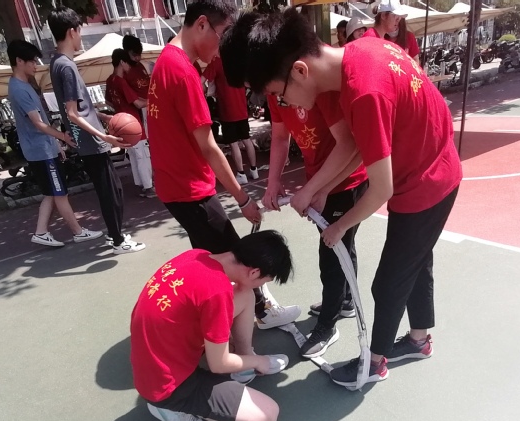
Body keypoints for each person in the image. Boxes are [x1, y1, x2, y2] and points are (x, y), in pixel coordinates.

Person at [220, 9, 462, 387]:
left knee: (389, 282)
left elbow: (380, 189)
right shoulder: (361, 53)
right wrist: (316, 190)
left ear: (300, 71)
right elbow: (355, 145)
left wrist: (338, 227)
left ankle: (373, 364)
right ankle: (419, 340)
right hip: (432, 167)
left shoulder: (364, 92)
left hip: (425, 183)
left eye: (279, 94)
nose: (283, 103)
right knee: (416, 263)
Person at [221, 16, 368, 359]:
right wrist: (273, 182)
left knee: (332, 252)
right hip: (320, 179)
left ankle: (328, 323)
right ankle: (343, 301)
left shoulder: (313, 83)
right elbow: (279, 137)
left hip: (345, 180)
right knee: (341, 246)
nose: (262, 92)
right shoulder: (276, 88)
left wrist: (315, 190)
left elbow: (349, 146)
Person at [147, 0, 300, 330]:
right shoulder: (182, 72)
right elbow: (209, 147)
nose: (222, 48)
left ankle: (219, 313)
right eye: (223, 34)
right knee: (237, 259)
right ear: (202, 24)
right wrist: (242, 199)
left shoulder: (166, 61)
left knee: (213, 259)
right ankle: (259, 312)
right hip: (189, 189)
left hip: (176, 185)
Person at [131, 230, 292, 421]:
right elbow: (219, 365)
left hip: (152, 359)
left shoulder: (197, 255)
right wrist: (259, 361)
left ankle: (243, 365)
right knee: (267, 416)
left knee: (245, 294)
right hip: (167, 386)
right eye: (262, 282)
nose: (260, 287)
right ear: (254, 272)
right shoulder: (217, 291)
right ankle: (168, 408)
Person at [47, 6, 145, 254]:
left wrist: (102, 116)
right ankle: (118, 241)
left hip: (87, 138)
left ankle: (116, 235)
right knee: (110, 192)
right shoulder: (66, 66)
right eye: (80, 31)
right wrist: (104, 136)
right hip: (90, 141)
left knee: (113, 189)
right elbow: (72, 113)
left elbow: (79, 108)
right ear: (72, 31)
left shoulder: (57, 63)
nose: (80, 37)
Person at [6, 40, 104, 247]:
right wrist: (62, 137)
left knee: (51, 193)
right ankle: (78, 232)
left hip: (44, 148)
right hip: (41, 151)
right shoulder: (19, 89)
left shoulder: (23, 85)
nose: (36, 65)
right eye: (32, 61)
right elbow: (38, 123)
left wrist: (56, 143)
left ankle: (41, 232)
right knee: (60, 193)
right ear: (19, 61)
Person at [202, 55, 267, 184]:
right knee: (246, 139)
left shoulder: (216, 62)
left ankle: (241, 174)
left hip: (227, 110)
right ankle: (254, 170)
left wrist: (205, 92)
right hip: (241, 108)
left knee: (233, 143)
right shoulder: (238, 61)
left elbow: (201, 81)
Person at [105, 48, 155, 199]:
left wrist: (120, 107)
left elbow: (108, 102)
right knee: (142, 155)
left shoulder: (110, 80)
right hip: (133, 123)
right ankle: (148, 187)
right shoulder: (121, 81)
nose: (129, 67)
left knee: (133, 155)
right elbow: (138, 103)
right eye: (127, 63)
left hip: (121, 123)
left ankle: (140, 184)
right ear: (122, 62)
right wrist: (154, 100)